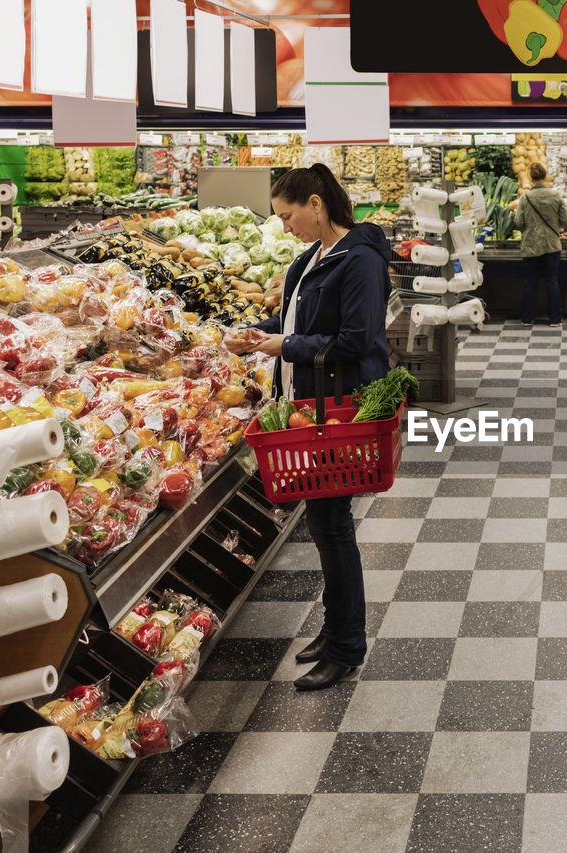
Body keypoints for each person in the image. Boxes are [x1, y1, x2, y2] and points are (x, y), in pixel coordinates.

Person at [226, 163, 392, 692]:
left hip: (340, 407)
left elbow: (359, 338)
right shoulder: (307, 261)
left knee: (333, 525)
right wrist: (258, 334)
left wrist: (287, 347)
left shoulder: (360, 260)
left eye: (288, 214)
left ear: (316, 204)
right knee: (324, 525)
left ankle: (346, 646)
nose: (284, 226)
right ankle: (334, 628)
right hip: (309, 403)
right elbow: (296, 324)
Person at [513, 162, 567, 327]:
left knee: (529, 282)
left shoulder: (525, 198)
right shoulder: (555, 195)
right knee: (552, 281)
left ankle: (527, 318)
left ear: (530, 178)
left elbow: (518, 222)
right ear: (545, 177)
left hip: (531, 245)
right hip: (552, 244)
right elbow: (564, 220)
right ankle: (555, 319)